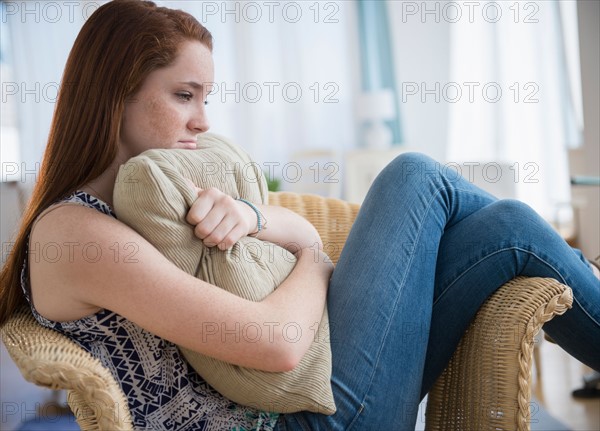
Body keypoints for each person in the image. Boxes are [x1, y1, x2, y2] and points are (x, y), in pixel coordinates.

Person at [0, 1, 598, 430]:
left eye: (207, 98)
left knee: (505, 229)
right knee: (414, 176)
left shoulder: (152, 194)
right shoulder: (74, 232)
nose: (204, 121)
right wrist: (312, 260)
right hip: (299, 417)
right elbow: (282, 344)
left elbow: (290, 228)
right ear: (112, 95)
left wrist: (256, 219)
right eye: (184, 95)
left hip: (310, 392)